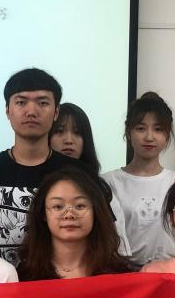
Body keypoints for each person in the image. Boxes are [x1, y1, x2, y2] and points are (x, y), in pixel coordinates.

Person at [0, 68, 98, 266]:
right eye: (21, 102)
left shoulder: (80, 174)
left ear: (56, 112)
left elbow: (101, 236)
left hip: (59, 280)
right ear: (7, 111)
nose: (31, 111)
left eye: (42, 103)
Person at [103, 91, 175, 265]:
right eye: (140, 128)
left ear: (167, 135)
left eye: (158, 129)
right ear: (128, 132)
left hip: (169, 273)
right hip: (122, 272)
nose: (149, 137)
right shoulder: (107, 183)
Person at [16, 167, 134, 281]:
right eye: (58, 206)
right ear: (43, 214)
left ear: (95, 211)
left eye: (80, 206)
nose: (69, 214)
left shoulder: (120, 274)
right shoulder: (26, 275)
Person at [50, 102, 131, 256]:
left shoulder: (99, 188)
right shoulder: (37, 185)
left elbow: (118, 247)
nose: (69, 140)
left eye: (77, 133)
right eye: (59, 131)